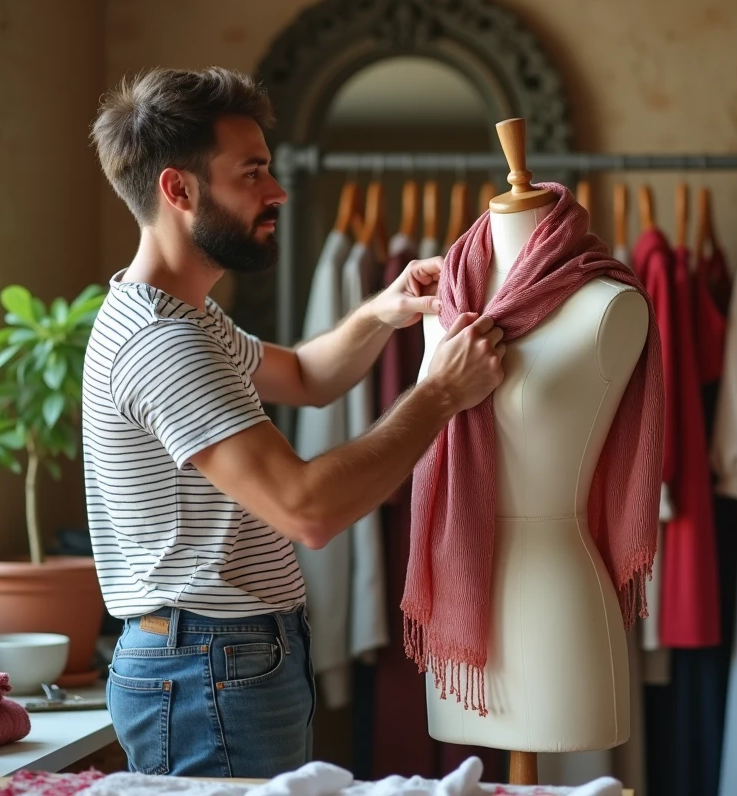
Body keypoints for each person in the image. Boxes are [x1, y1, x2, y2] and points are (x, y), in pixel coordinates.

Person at [81, 66, 505, 778]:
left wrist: (381, 310)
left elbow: (307, 376)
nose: (276, 192)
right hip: (208, 665)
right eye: (252, 174)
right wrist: (439, 395)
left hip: (218, 659)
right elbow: (306, 508)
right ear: (178, 190)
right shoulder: (163, 342)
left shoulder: (185, 315)